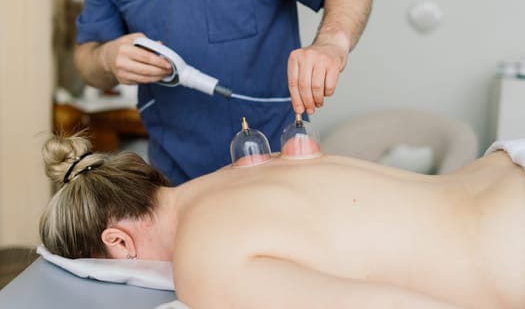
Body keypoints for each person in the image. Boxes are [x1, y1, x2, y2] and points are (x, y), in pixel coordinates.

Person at [40, 133, 525, 308]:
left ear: (119, 244)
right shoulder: (243, 164)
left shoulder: (204, 263)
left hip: (509, 251)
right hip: (506, 164)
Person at [73, 0, 375, 184]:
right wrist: (107, 58)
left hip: (275, 168)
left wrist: (331, 43)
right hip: (176, 178)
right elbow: (86, 59)